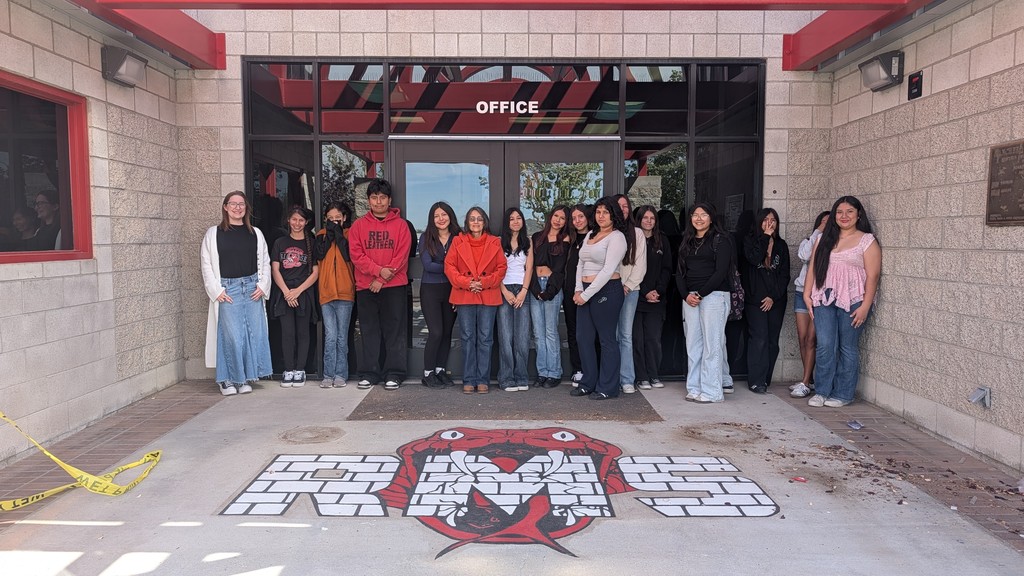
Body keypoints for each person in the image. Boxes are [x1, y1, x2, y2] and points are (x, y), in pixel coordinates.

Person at [804, 196, 881, 408]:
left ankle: (843, 394)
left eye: (849, 211)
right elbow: (813, 268)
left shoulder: (867, 241)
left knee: (847, 346)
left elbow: (873, 276)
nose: (844, 216)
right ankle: (822, 391)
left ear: (858, 214)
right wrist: (807, 294)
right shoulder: (823, 239)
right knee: (825, 345)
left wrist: (865, 306)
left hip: (854, 299)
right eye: (839, 212)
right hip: (824, 297)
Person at [200, 191, 273, 396]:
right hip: (227, 289)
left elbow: (265, 261)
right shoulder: (213, 234)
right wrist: (216, 291)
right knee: (231, 336)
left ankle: (245, 378)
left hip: (251, 288)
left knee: (252, 334)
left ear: (246, 208)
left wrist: (263, 285)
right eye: (233, 204)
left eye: (241, 204)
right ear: (225, 207)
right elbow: (206, 264)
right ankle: (227, 379)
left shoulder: (255, 233)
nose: (237, 208)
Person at [348, 179, 412, 391]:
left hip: (394, 287)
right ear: (369, 201)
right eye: (374, 198)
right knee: (369, 331)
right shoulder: (358, 226)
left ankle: (395, 373)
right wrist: (377, 272)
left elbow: (401, 256)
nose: (379, 202)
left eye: (383, 197)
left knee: (394, 331)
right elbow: (356, 256)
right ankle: (370, 373)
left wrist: (382, 279)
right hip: (366, 287)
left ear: (389, 200)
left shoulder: (401, 225)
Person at [571, 197, 628, 400]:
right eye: (598, 212)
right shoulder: (590, 235)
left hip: (607, 291)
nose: (601, 216)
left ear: (614, 215)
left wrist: (586, 295)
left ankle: (608, 387)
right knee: (583, 338)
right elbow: (580, 264)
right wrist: (579, 289)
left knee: (606, 340)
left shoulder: (617, 237)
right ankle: (588, 383)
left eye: (606, 212)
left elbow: (607, 270)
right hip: (585, 291)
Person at [445, 207, 506, 394]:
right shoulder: (458, 241)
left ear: (484, 222)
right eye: (472, 219)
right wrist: (468, 283)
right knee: (467, 337)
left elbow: (501, 267)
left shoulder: (495, 242)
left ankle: (483, 380)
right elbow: (449, 266)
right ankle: (469, 379)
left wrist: (484, 282)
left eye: (479, 219)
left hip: (487, 293)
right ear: (467, 222)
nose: (476, 222)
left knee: (485, 338)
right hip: (465, 294)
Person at [676, 203, 732, 404]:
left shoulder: (721, 240)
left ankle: (712, 392)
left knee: (712, 345)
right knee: (693, 345)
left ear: (711, 217)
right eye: (695, 215)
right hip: (690, 298)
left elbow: (721, 272)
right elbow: (680, 272)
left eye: (703, 214)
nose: (699, 218)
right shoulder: (687, 241)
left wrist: (700, 294)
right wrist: (685, 295)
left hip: (714, 296)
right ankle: (694, 387)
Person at [742, 208, 790, 394]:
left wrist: (773, 296)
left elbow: (784, 275)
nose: (769, 223)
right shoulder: (749, 242)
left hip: (776, 300)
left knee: (772, 341)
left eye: (773, 220)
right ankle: (756, 381)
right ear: (759, 222)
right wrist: (765, 237)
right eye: (765, 220)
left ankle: (765, 379)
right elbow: (754, 259)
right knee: (759, 339)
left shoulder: (781, 246)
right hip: (755, 300)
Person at [270, 207, 320, 387]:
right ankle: (288, 369)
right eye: (294, 219)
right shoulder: (280, 242)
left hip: (303, 293)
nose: (297, 223)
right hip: (284, 293)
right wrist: (286, 292)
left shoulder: (311, 243)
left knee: (303, 332)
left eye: (301, 220)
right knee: (287, 333)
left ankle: (300, 370)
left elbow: (315, 272)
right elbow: (275, 269)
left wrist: (297, 291)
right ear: (288, 220)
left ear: (306, 222)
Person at [418, 201, 460, 389]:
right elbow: (428, 265)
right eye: (436, 216)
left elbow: (465, 263)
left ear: (450, 216)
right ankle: (428, 373)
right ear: (431, 219)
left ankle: (440, 370)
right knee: (436, 332)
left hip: (452, 289)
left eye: (444, 214)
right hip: (430, 290)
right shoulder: (426, 237)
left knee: (447, 332)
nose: (441, 219)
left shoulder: (459, 237)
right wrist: (452, 268)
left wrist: (454, 272)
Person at [315, 201, 356, 389]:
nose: (333, 222)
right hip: (326, 292)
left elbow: (349, 256)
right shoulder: (321, 235)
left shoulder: (350, 234)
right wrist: (329, 235)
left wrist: (339, 234)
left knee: (341, 337)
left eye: (337, 219)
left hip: (345, 292)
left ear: (344, 218)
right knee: (330, 335)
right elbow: (319, 255)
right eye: (330, 219)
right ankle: (328, 375)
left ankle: (340, 374)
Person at [530, 205, 571, 389]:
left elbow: (560, 270)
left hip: (552, 286)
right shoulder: (537, 237)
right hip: (536, 286)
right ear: (550, 216)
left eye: (562, 218)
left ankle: (554, 372)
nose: (558, 220)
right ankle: (542, 372)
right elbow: (530, 265)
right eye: (556, 216)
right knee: (538, 333)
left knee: (550, 331)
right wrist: (535, 289)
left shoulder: (565, 239)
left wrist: (549, 291)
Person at [790, 210, 830, 398]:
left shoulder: (834, 244)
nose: (825, 224)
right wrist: (818, 232)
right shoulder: (809, 241)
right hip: (801, 292)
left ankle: (805, 382)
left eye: (829, 222)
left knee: (811, 339)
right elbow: (804, 256)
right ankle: (808, 379)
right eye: (823, 221)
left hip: (819, 295)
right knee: (802, 337)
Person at [632, 205, 672, 390]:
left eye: (652, 218)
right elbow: (631, 270)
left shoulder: (662, 240)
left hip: (656, 298)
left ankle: (654, 375)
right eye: (645, 218)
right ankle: (642, 377)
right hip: (637, 296)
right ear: (639, 219)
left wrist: (659, 291)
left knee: (653, 339)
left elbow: (667, 268)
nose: (648, 221)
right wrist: (645, 291)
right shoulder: (633, 240)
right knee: (637, 339)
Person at [496, 207, 533, 392]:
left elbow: (529, 268)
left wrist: (524, 291)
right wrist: (504, 291)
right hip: (504, 290)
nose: (516, 221)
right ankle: (506, 378)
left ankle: (521, 377)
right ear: (507, 222)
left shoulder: (528, 241)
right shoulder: (498, 242)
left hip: (522, 290)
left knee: (522, 337)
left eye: (519, 218)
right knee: (505, 336)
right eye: (512, 219)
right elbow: (495, 269)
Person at [614, 194, 646, 394]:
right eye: (619, 206)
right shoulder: (607, 232)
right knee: (610, 335)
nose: (623, 209)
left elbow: (640, 264)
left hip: (630, 290)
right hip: (609, 289)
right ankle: (611, 377)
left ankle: (626, 379)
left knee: (625, 334)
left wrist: (627, 286)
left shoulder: (637, 233)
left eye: (626, 206)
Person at [563, 204, 593, 388]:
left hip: (589, 291)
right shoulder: (569, 239)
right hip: (570, 292)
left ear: (588, 217)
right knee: (573, 331)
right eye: (574, 218)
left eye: (581, 216)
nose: (577, 221)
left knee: (589, 332)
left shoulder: (595, 237)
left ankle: (592, 369)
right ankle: (578, 369)